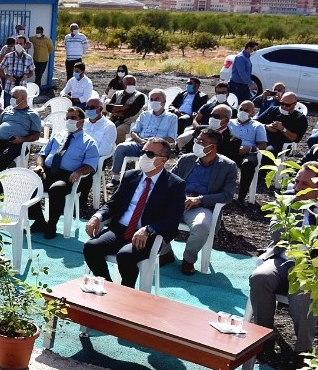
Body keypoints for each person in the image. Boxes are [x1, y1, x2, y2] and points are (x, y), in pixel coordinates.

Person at [83, 137, 186, 288]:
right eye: (143, 152)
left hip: (147, 235)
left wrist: (148, 229)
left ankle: (126, 292)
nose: (144, 156)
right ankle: (109, 288)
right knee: (91, 247)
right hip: (120, 229)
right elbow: (113, 203)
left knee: (125, 256)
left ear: (163, 160)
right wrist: (97, 216)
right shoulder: (130, 176)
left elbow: (172, 219)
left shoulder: (175, 184)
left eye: (150, 154)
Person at [248, 164, 318, 354]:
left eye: (304, 184)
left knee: (303, 291)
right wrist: (293, 209)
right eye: (296, 182)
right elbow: (276, 233)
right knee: (259, 278)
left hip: (310, 267)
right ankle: (264, 337)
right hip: (282, 258)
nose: (297, 187)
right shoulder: (287, 202)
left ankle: (303, 351)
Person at [171, 128, 238, 275]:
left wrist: (200, 199)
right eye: (197, 139)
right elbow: (169, 180)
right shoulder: (186, 159)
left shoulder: (228, 166)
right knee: (150, 214)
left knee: (201, 226)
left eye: (201, 141)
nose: (196, 143)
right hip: (178, 201)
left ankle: (188, 259)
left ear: (213, 147)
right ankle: (165, 253)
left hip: (201, 206)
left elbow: (227, 195)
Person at [28, 106, 100, 239]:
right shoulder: (58, 135)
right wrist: (39, 166)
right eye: (67, 118)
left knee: (56, 189)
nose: (69, 121)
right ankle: (39, 221)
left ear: (82, 121)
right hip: (48, 171)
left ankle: (51, 225)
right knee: (30, 182)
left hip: (68, 176)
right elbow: (42, 154)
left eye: (73, 118)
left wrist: (79, 172)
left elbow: (91, 166)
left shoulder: (89, 142)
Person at [108, 88, 177, 188]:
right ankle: (115, 178)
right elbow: (133, 131)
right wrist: (140, 140)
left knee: (149, 157)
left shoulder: (172, 118)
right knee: (121, 147)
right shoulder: (144, 114)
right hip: (140, 143)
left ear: (164, 101)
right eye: (151, 99)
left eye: (157, 99)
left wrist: (154, 143)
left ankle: (144, 183)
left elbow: (171, 138)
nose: (153, 101)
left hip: (156, 149)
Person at [0, 86, 42, 174]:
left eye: (14, 97)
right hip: (0, 141)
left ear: (23, 98)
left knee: (5, 155)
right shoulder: (8, 109)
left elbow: (36, 136)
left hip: (17, 144)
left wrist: (21, 139)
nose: (11, 99)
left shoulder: (32, 115)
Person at [228, 100, 268, 203]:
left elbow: (262, 145)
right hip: (230, 150)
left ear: (252, 113)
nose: (242, 112)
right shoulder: (229, 123)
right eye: (241, 109)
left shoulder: (258, 126)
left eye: (246, 110)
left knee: (248, 164)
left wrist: (249, 149)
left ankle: (241, 197)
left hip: (248, 152)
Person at [176, 82, 232, 151]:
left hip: (221, 134)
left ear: (228, 93)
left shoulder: (232, 111)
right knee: (181, 139)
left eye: (223, 92)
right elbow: (196, 120)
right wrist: (199, 130)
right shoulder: (207, 106)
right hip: (202, 131)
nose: (220, 94)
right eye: (218, 92)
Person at [255, 91, 307, 158]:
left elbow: (294, 138)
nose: (284, 106)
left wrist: (283, 129)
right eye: (282, 103)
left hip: (280, 144)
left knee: (267, 153)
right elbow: (255, 123)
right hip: (262, 139)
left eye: (288, 105)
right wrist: (266, 126)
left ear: (295, 104)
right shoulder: (272, 109)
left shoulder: (300, 118)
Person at [107, 75, 147, 144]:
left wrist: (115, 110)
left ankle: (118, 147)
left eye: (133, 83)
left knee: (118, 131)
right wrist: (124, 107)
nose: (131, 85)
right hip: (115, 119)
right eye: (129, 83)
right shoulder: (117, 94)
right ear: (123, 84)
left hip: (130, 122)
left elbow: (130, 113)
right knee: (105, 128)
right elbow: (108, 108)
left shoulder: (140, 96)